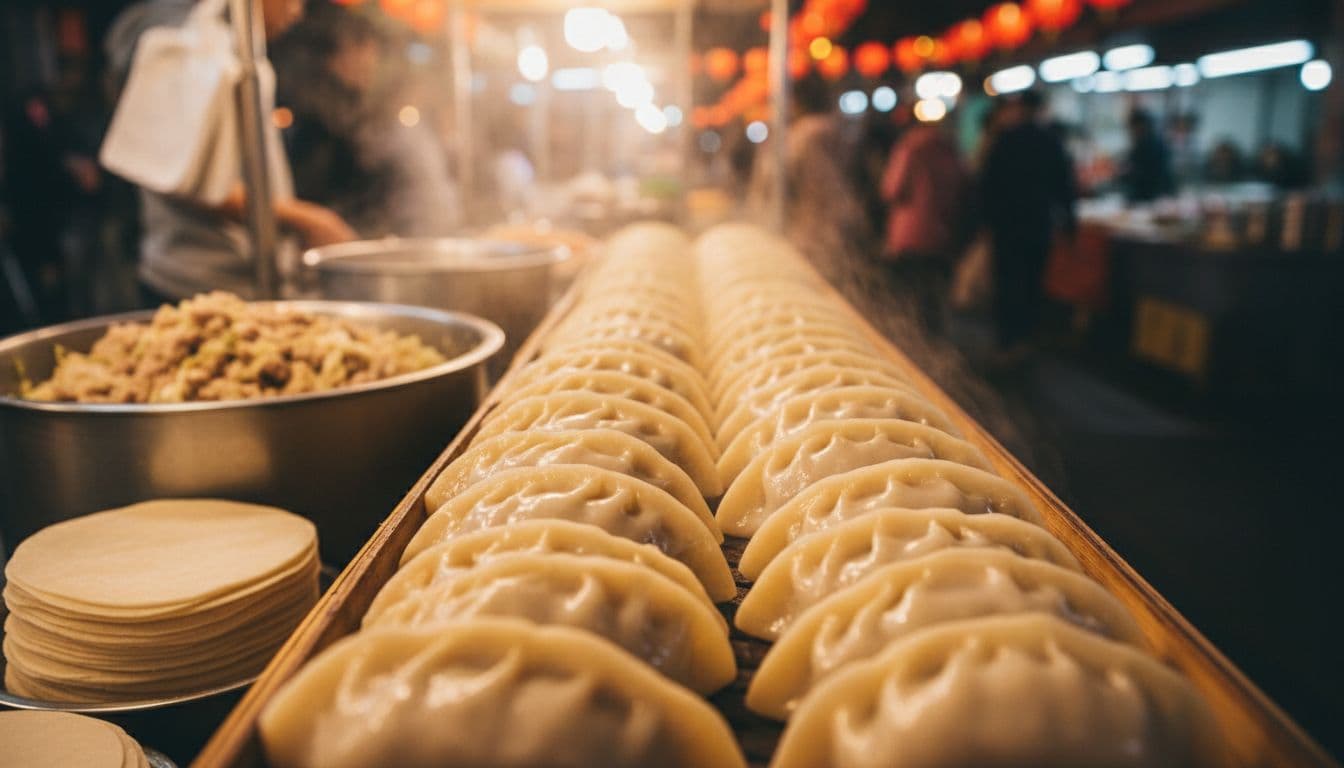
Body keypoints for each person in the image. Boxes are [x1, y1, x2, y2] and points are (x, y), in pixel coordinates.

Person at [105, 0, 355, 303]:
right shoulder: (194, 51)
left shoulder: (235, 52)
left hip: (237, 281)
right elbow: (183, 181)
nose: (297, 11)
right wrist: (307, 219)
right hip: (194, 287)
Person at [979, 90, 1077, 356]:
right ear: (1041, 109)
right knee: (1033, 283)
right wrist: (1069, 225)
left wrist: (985, 222)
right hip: (1038, 226)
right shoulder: (1050, 141)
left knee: (1008, 283)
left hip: (1007, 227)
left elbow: (988, 184)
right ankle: (1025, 338)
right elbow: (1065, 187)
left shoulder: (1006, 140)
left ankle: (1007, 341)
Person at [878, 117, 970, 333]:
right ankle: (932, 340)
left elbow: (892, 189)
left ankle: (908, 339)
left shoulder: (910, 147)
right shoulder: (951, 149)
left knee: (908, 295)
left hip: (910, 234)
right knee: (934, 296)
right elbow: (964, 188)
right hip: (943, 233)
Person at [1120, 108, 1175, 203]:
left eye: (1132, 127)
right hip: (1161, 194)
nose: (1131, 131)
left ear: (1139, 126)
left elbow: (1140, 173)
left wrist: (1125, 173)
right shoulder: (1158, 141)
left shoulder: (1145, 144)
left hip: (1150, 196)